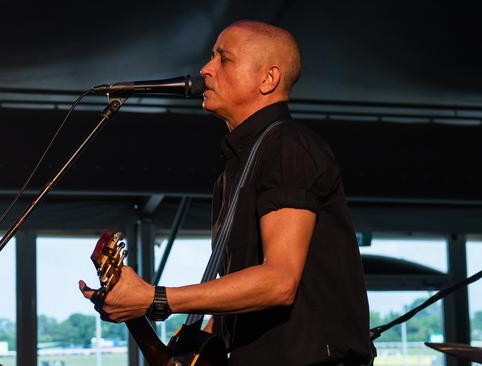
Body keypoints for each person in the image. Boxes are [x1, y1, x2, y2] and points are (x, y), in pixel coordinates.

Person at [80, 20, 372, 365]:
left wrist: (156, 298)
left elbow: (279, 281)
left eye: (224, 59)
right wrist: (132, 306)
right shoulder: (238, 162)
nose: (205, 69)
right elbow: (242, 293)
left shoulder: (287, 146)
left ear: (268, 79)